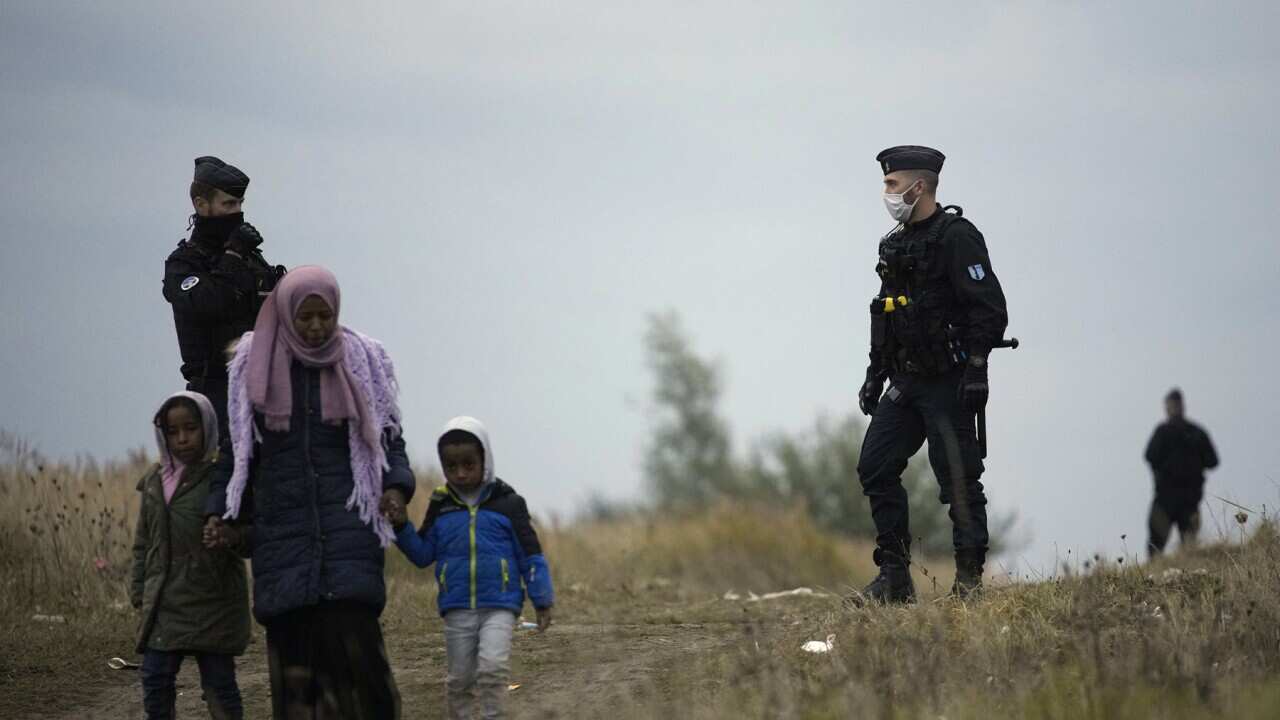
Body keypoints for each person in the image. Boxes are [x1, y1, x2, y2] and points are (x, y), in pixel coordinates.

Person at [203, 265, 415, 719]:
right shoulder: (252, 369)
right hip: (284, 546)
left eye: (325, 316)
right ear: (286, 314)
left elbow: (390, 441)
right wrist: (219, 513)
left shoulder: (362, 363)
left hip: (348, 541)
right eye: (306, 317)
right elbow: (236, 452)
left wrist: (396, 488)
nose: (317, 327)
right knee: (300, 696)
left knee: (369, 689)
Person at [853, 145, 1009, 603]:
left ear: (919, 186)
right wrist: (873, 373)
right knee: (875, 467)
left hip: (949, 380)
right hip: (906, 380)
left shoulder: (957, 237)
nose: (887, 193)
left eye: (892, 184)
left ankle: (969, 582)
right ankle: (894, 580)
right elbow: (884, 314)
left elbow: (990, 309)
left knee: (957, 480)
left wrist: (977, 367)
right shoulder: (894, 244)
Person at [385, 416, 555, 720]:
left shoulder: (508, 503)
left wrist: (542, 600)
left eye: (469, 464)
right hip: (457, 608)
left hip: (500, 606)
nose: (460, 473)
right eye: (451, 467)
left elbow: (531, 555)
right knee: (459, 681)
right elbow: (423, 554)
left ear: (484, 460)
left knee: (492, 670)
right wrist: (400, 527)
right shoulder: (441, 505)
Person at [130, 391, 250, 720]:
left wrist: (229, 536)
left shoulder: (221, 480)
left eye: (191, 428)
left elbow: (249, 537)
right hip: (165, 603)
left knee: (219, 684)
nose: (182, 438)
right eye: (173, 431)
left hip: (213, 601)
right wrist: (140, 591)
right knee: (155, 679)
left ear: (208, 427)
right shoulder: (154, 482)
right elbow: (144, 543)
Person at [164, 156, 285, 436]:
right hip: (214, 394)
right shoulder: (184, 265)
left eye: (240, 204)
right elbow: (209, 302)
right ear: (201, 205)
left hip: (263, 390)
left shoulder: (252, 259)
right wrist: (233, 256)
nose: (237, 212)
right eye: (228, 204)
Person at [1144, 388, 1219, 557]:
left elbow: (1212, 461)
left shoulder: (1196, 433)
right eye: (1170, 405)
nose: (1173, 408)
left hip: (1189, 501)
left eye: (1175, 405)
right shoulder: (1162, 433)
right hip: (1165, 499)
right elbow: (1149, 456)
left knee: (1189, 549)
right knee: (1155, 548)